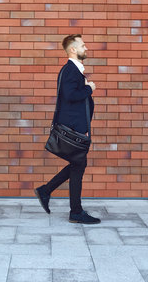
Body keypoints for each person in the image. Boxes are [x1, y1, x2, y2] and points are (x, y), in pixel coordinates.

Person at [34, 34, 101, 224]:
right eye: (83, 45)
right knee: (78, 166)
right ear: (73, 50)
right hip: (73, 128)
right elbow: (71, 95)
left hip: (74, 126)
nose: (86, 48)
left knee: (78, 165)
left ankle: (47, 191)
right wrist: (89, 88)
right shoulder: (71, 70)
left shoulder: (73, 70)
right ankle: (75, 211)